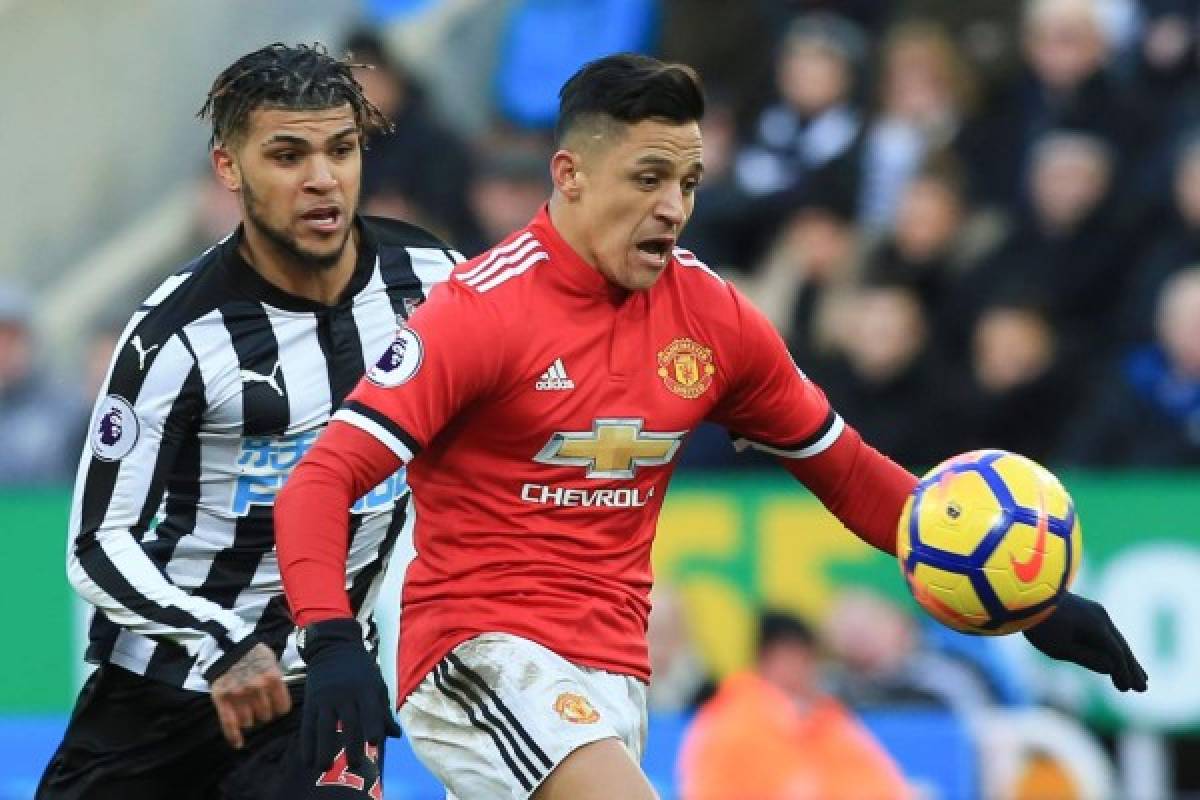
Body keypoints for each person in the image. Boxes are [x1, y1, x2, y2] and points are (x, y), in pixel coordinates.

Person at [275, 53, 1147, 800]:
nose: (673, 207)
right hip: (475, 644)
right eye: (648, 177)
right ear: (570, 175)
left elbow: (843, 469)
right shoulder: (477, 314)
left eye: (689, 182)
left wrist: (1024, 602)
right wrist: (334, 639)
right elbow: (321, 479)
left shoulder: (714, 319)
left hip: (612, 665)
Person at [37, 43, 460, 799]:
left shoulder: (436, 283)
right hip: (163, 699)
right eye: (287, 155)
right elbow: (97, 543)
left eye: (341, 149)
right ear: (229, 168)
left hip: (325, 686)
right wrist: (221, 641)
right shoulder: (177, 333)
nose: (323, 179)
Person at [677, 610, 910, 800]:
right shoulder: (728, 720)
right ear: (775, 657)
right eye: (804, 659)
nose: (811, 671)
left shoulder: (827, 718)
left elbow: (887, 786)